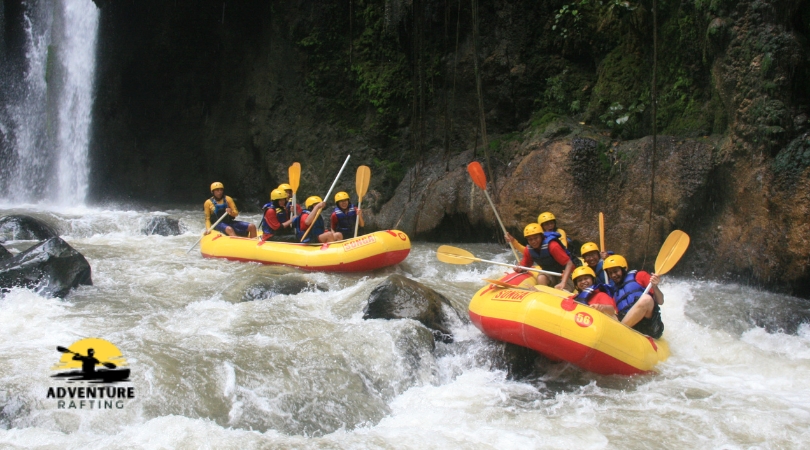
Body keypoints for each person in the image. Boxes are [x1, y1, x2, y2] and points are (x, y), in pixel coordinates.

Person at [603, 255, 664, 338]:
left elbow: (660, 301)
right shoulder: (614, 293)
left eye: (616, 271)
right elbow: (616, 314)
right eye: (610, 273)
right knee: (606, 313)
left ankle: (619, 332)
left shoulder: (639, 276)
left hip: (649, 325)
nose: (613, 275)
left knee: (646, 299)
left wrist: (655, 287)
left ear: (624, 269)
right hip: (633, 327)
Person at [505, 223, 575, 291]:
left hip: (565, 273)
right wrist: (519, 268)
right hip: (549, 273)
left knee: (563, 290)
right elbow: (525, 265)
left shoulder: (553, 246)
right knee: (541, 278)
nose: (534, 242)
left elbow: (569, 263)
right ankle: (544, 295)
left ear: (541, 236)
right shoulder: (529, 250)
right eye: (530, 239)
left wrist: (563, 282)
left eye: (536, 238)